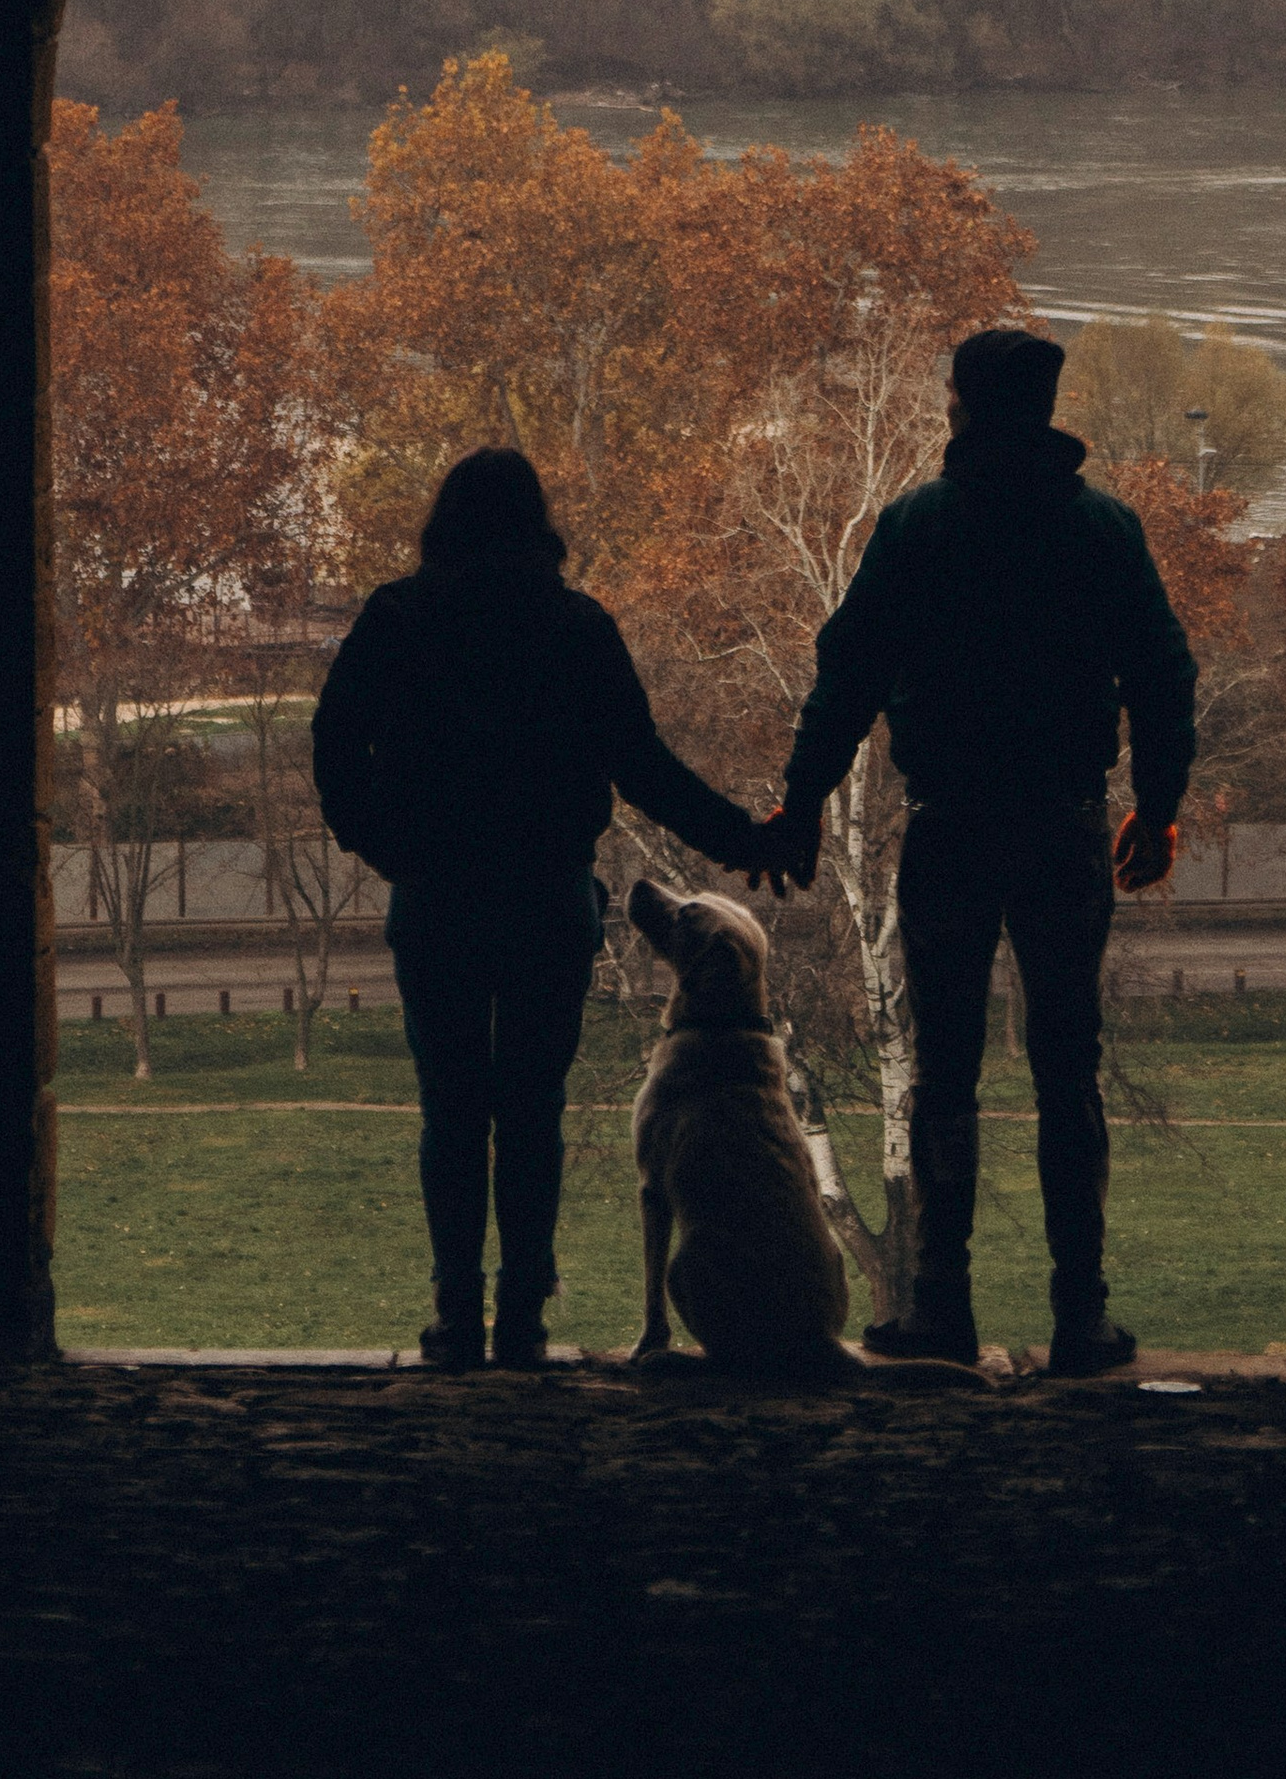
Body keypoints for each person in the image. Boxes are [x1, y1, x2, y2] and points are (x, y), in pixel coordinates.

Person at [753, 326, 1197, 1375]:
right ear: (1045, 408)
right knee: (1067, 1066)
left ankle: (937, 1305)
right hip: (1065, 824)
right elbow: (1162, 677)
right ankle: (1080, 1312)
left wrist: (803, 800)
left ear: (958, 402)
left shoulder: (916, 529)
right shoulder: (1103, 531)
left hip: (949, 825)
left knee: (942, 1074)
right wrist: (1159, 803)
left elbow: (847, 673)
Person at [311, 445, 763, 1372]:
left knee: (451, 1108)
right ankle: (522, 1313)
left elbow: (333, 741)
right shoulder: (575, 627)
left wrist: (378, 841)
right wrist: (745, 839)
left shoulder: (398, 619)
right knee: (531, 1107)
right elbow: (645, 767)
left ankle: (453, 1312)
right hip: (548, 895)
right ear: (537, 526)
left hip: (434, 895)